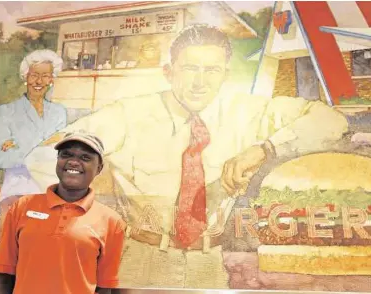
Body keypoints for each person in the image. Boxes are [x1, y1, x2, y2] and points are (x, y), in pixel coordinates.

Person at [25, 24, 349, 289]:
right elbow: (45, 158)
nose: (200, 82)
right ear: (168, 71)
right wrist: (100, 189)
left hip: (210, 264)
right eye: (190, 68)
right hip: (141, 259)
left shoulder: (247, 111)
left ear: (224, 73)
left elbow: (332, 121)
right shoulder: (128, 113)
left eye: (212, 70)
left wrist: (265, 149)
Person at [0, 132, 126, 294]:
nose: (74, 162)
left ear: (99, 168)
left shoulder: (112, 222)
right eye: (66, 155)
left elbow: (104, 288)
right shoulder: (22, 207)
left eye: (85, 158)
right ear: (58, 161)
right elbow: (4, 277)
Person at [0, 49, 67, 203]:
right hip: (17, 193)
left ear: (52, 79)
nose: (39, 81)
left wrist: (19, 150)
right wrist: (42, 152)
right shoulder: (7, 111)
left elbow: (61, 155)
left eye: (45, 76)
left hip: (52, 193)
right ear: (25, 77)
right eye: (34, 75)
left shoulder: (59, 113)